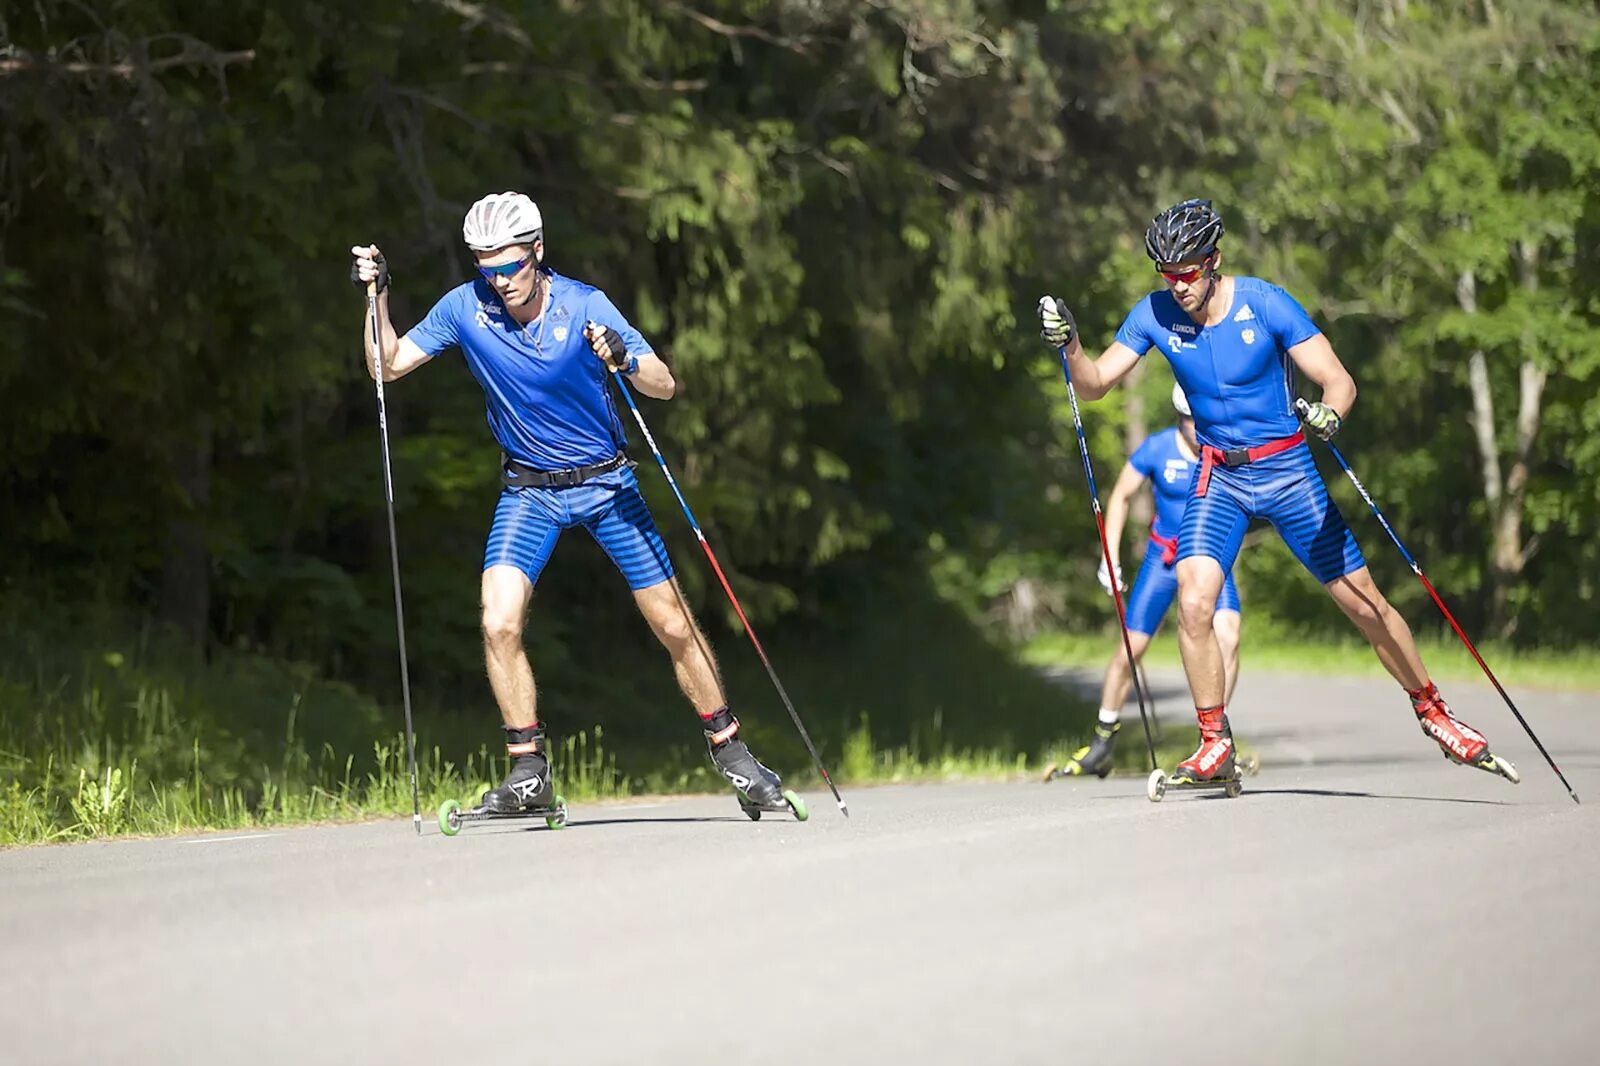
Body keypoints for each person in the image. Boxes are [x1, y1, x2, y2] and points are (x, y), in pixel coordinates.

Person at [1035, 198, 1518, 786]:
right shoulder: (1155, 314)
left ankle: (1433, 711)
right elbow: (1095, 386)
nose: (1177, 284)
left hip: (1287, 471)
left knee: (1363, 604)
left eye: (1187, 271)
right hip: (1221, 479)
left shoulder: (1264, 303)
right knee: (1192, 600)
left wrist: (1331, 416)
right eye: (1165, 272)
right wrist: (1072, 345)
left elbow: (1339, 382)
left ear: (1213, 260)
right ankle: (1215, 741)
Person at [350, 190, 788, 814]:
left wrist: (623, 357)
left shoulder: (585, 304)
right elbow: (386, 365)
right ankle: (528, 771)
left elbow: (663, 385)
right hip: (529, 492)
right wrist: (379, 295)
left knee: (671, 623)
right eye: (486, 266)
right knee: (498, 622)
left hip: (607, 486)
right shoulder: (463, 310)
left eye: (510, 265)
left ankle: (732, 750)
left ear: (537, 251)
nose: (499, 280)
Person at [1051, 383, 1242, 778]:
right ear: (1179, 417)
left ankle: (1216, 738)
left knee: (1229, 632)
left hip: (1206, 558)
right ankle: (1103, 739)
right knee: (1130, 649)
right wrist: (1111, 556)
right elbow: (1120, 496)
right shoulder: (1157, 448)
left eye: (1202, 418)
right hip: (1165, 558)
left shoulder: (1220, 451)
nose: (1197, 427)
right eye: (1190, 420)